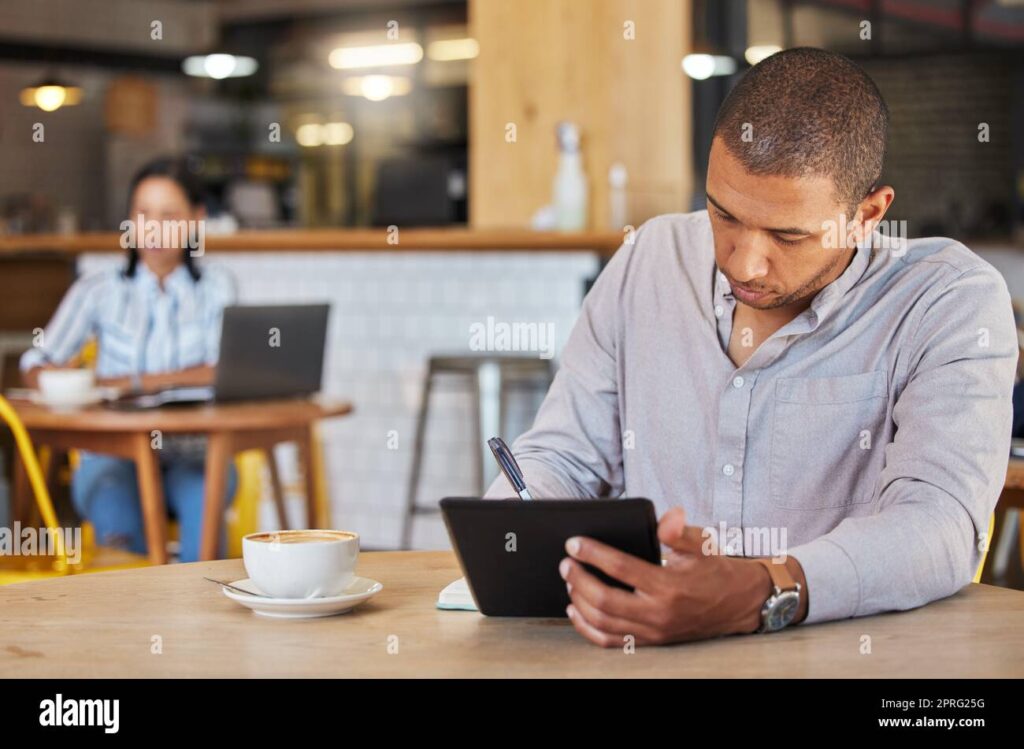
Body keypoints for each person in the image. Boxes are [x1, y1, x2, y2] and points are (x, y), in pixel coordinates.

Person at [484, 48, 1018, 646]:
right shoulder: (650, 260)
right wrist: (508, 537)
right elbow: (563, 457)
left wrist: (763, 590)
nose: (744, 262)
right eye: (724, 215)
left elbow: (938, 525)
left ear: (868, 214)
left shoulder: (946, 300)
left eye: (788, 235)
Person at [21, 157, 238, 562]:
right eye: (143, 214)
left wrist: (135, 382)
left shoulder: (217, 287)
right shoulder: (98, 289)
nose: (153, 228)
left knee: (205, 510)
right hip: (113, 455)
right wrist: (53, 379)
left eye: (169, 215)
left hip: (193, 453)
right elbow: (38, 358)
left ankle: (198, 614)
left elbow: (223, 369)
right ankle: (137, 619)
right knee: (111, 500)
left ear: (196, 220)